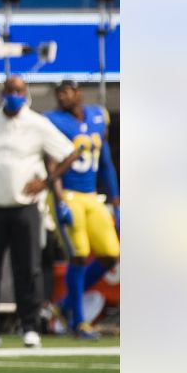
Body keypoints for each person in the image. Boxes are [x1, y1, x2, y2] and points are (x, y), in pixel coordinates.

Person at [0, 76, 79, 348]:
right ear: (2, 94)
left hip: (25, 208)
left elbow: (69, 152)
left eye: (19, 91)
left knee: (29, 269)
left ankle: (30, 326)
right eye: (9, 90)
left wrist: (46, 181)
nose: (13, 95)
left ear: (26, 94)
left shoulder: (37, 123)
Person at [45, 80, 120, 338]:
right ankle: (78, 322)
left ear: (78, 93)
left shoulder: (99, 115)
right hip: (67, 194)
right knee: (78, 255)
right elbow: (49, 161)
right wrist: (58, 200)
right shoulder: (52, 120)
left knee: (111, 254)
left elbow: (106, 160)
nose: (62, 97)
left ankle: (64, 306)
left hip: (92, 195)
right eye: (59, 93)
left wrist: (116, 200)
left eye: (66, 92)